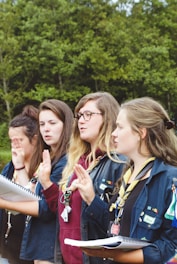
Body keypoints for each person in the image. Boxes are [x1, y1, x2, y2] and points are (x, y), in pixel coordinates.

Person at [75, 97, 177, 263]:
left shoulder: (171, 180)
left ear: (141, 133)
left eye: (120, 127)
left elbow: (172, 247)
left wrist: (120, 256)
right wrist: (91, 197)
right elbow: (114, 224)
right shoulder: (127, 174)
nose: (114, 133)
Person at [39, 92, 126, 264]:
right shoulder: (77, 161)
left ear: (107, 118)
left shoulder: (119, 162)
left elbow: (119, 224)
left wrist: (92, 199)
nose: (81, 120)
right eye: (79, 115)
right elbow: (65, 211)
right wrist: (47, 183)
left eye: (88, 114)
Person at [0, 99, 73, 264]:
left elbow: (48, 208)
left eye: (52, 123)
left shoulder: (66, 161)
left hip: (50, 250)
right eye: (42, 124)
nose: (46, 128)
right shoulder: (49, 159)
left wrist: (5, 203)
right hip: (32, 251)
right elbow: (33, 197)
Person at [0, 105, 38, 264]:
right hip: (6, 246)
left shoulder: (43, 167)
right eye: (11, 140)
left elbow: (35, 203)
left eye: (19, 140)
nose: (14, 145)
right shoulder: (10, 167)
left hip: (28, 248)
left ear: (34, 139)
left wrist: (21, 166)